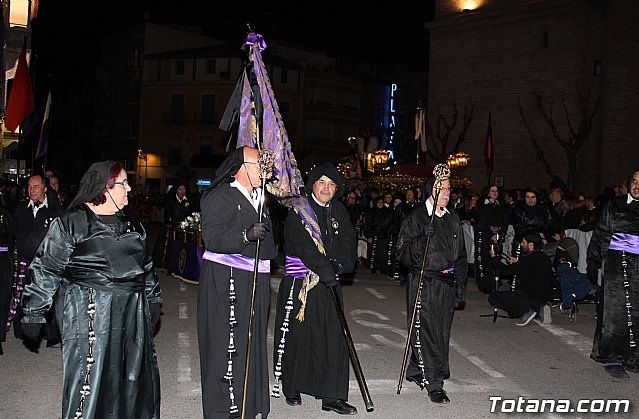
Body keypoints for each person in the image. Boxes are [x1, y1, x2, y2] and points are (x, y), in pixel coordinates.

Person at [20, 161, 162, 419]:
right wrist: (33, 312)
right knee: (92, 377)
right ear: (105, 188)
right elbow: (46, 267)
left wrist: (152, 297)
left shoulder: (133, 223)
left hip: (132, 311)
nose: (129, 188)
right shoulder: (72, 221)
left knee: (131, 376)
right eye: (123, 183)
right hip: (89, 311)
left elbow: (146, 264)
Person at [197, 146, 277, 419]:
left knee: (250, 342)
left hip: (255, 279)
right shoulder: (220, 196)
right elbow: (213, 237)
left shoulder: (259, 198)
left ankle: (250, 403)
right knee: (227, 343)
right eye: (259, 166)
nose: (264, 172)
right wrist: (244, 235)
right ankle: (226, 408)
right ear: (243, 168)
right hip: (227, 280)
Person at [273, 162, 357, 414]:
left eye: (332, 184)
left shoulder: (338, 210)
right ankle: (293, 387)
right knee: (298, 337)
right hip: (301, 282)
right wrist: (325, 269)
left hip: (329, 280)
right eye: (322, 182)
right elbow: (303, 246)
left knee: (332, 338)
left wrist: (342, 264)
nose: (326, 188)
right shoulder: (299, 211)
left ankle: (332, 396)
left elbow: (348, 239)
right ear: (312, 185)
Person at [395, 175, 467, 404]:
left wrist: (461, 284)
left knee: (440, 331)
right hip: (424, 281)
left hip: (446, 282)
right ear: (429, 190)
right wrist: (420, 240)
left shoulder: (452, 216)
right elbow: (402, 254)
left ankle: (416, 369)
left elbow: (462, 254)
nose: (446, 192)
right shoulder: (416, 217)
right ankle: (434, 383)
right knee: (425, 331)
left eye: (448, 188)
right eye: (440, 188)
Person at [587, 169, 639, 379]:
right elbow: (601, 232)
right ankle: (613, 357)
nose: (637, 186)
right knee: (615, 311)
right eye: (634, 182)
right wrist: (594, 260)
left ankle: (633, 357)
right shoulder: (615, 205)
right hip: (619, 263)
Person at [9, 174, 63, 347]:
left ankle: (49, 333)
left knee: (48, 298)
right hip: (25, 260)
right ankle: (22, 331)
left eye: (36, 187)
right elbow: (14, 233)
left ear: (45, 188)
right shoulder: (20, 209)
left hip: (46, 262)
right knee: (22, 296)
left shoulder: (54, 211)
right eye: (29, 187)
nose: (32, 190)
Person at [488, 234, 555, 326]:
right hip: (543, 295)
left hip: (529, 296)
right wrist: (517, 263)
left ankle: (530, 309)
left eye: (524, 243)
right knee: (512, 313)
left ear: (531, 245)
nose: (522, 245)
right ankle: (540, 307)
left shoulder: (528, 259)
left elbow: (505, 271)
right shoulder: (545, 257)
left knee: (493, 297)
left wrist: (494, 259)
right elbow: (530, 269)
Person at [474, 185, 509, 293]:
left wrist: (499, 234)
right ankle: (486, 284)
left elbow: (505, 222)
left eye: (496, 191)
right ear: (488, 193)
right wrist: (491, 232)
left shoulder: (501, 206)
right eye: (492, 191)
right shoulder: (482, 206)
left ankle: (495, 282)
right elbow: (480, 222)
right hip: (484, 236)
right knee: (484, 260)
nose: (495, 193)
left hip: (497, 237)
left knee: (496, 258)